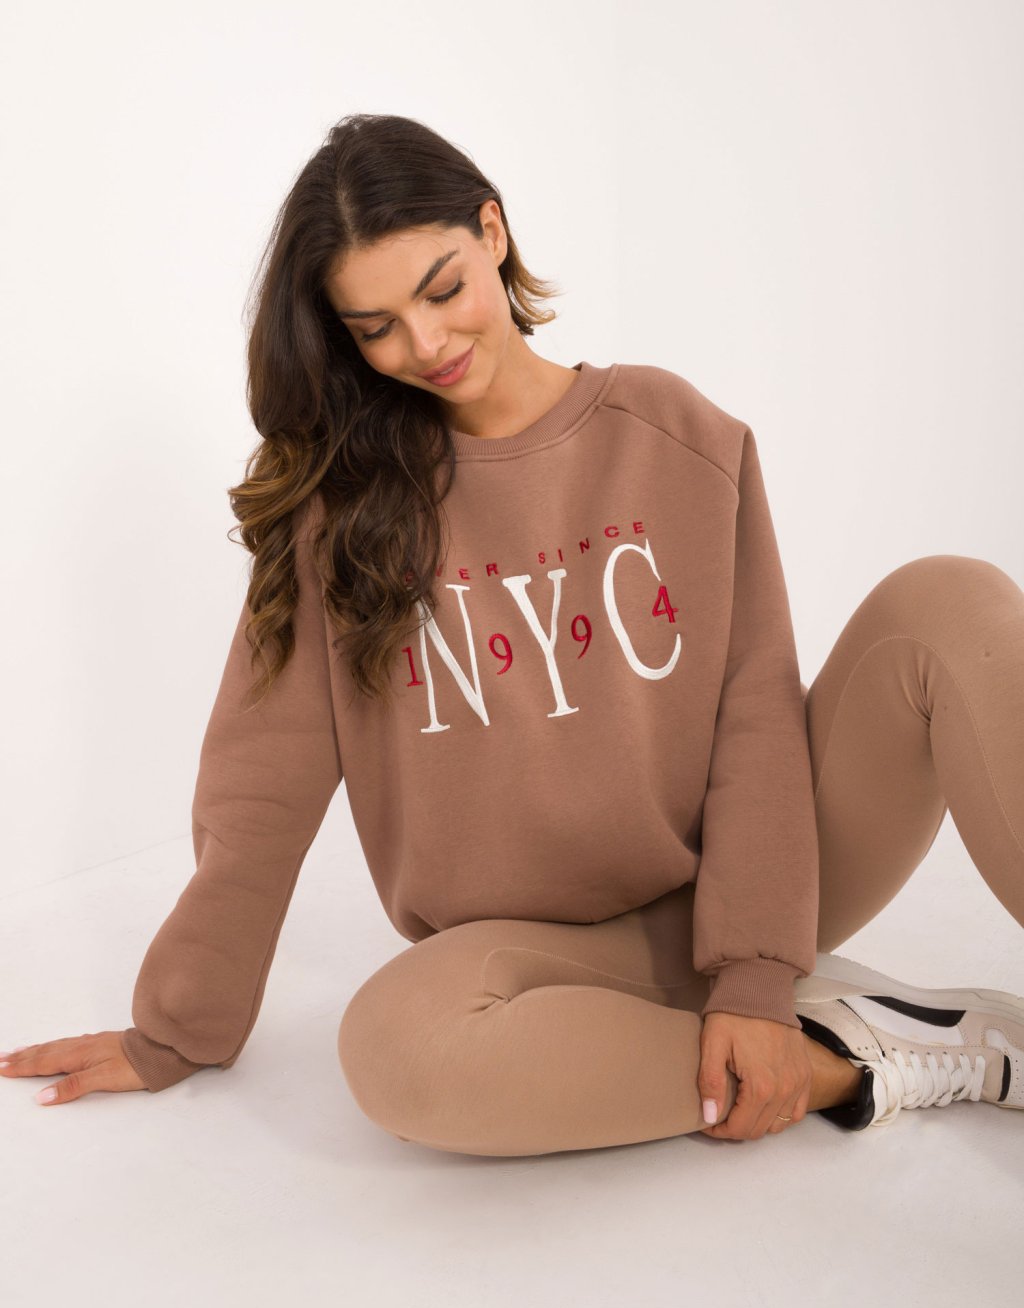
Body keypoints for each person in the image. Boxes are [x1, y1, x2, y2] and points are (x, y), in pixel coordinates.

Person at [2, 113, 1022, 1154]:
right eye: (376, 326)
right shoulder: (342, 515)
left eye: (442, 290)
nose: (426, 345)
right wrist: (176, 1030)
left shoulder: (674, 434)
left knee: (948, 602)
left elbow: (754, 706)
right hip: (538, 959)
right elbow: (259, 789)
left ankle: (762, 1016)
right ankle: (864, 1054)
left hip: (752, 887)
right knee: (400, 1045)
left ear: (491, 232)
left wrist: (754, 973)